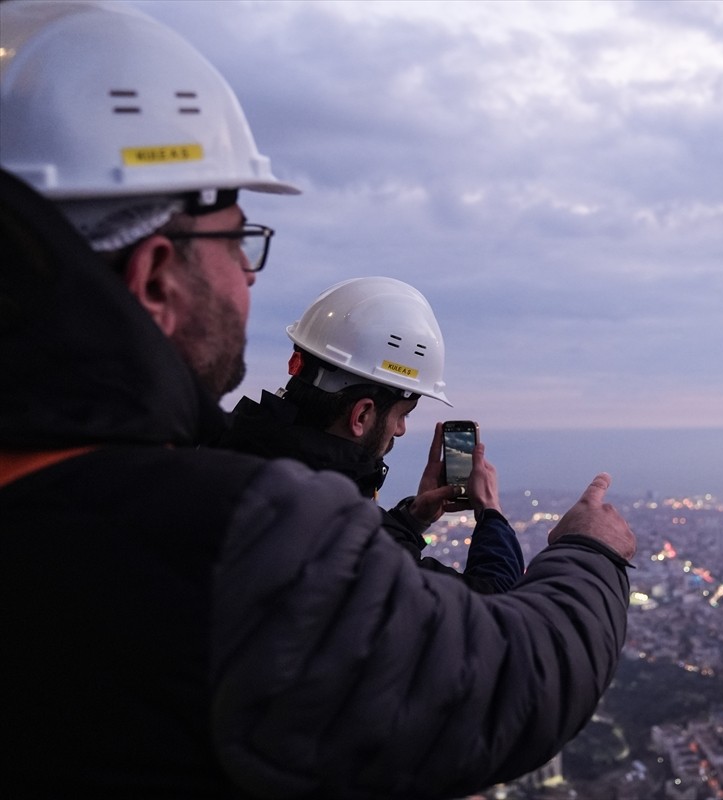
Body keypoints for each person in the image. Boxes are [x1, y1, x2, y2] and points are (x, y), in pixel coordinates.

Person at [0, 2, 636, 798]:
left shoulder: (124, 475)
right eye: (236, 237)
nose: (251, 273)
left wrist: (407, 522)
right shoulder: (231, 526)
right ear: (157, 274)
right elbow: (496, 682)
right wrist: (589, 552)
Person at [223, 276, 525, 593]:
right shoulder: (337, 538)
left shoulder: (232, 453)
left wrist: (412, 520)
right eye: (401, 415)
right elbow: (493, 603)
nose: (401, 430)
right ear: (362, 415)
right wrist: (491, 513)